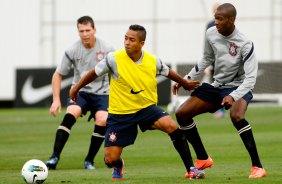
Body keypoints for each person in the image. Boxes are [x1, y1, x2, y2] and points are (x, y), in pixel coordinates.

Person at [69, 24, 205, 180]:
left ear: (141, 43)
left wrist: (184, 82)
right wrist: (77, 87)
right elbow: (93, 73)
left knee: (172, 126)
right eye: (125, 38)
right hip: (120, 114)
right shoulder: (114, 58)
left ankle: (191, 169)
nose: (127, 42)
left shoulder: (152, 60)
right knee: (110, 159)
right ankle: (119, 165)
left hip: (145, 109)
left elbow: (168, 72)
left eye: (131, 40)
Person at [173, 3, 266, 178]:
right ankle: (203, 158)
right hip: (218, 85)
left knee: (237, 116)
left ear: (231, 20)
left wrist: (233, 95)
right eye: (215, 17)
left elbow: (250, 79)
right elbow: (206, 58)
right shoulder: (211, 33)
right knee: (182, 113)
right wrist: (185, 79)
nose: (215, 22)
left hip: (239, 85)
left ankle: (258, 167)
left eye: (219, 19)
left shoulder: (245, 43)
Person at [46, 15, 115, 170]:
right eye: (81, 31)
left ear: (94, 30)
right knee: (71, 114)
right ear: (78, 32)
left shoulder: (108, 49)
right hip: (80, 91)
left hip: (102, 93)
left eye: (87, 30)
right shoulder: (72, 50)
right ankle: (54, 158)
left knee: (102, 120)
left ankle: (89, 161)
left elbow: (116, 74)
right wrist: (56, 99)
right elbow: (58, 74)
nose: (85, 34)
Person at [204, 2, 226, 119]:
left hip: (225, 60)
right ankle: (220, 108)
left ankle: (228, 105)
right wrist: (207, 64)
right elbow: (207, 45)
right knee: (215, 85)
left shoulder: (227, 24)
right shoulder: (210, 25)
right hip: (214, 60)